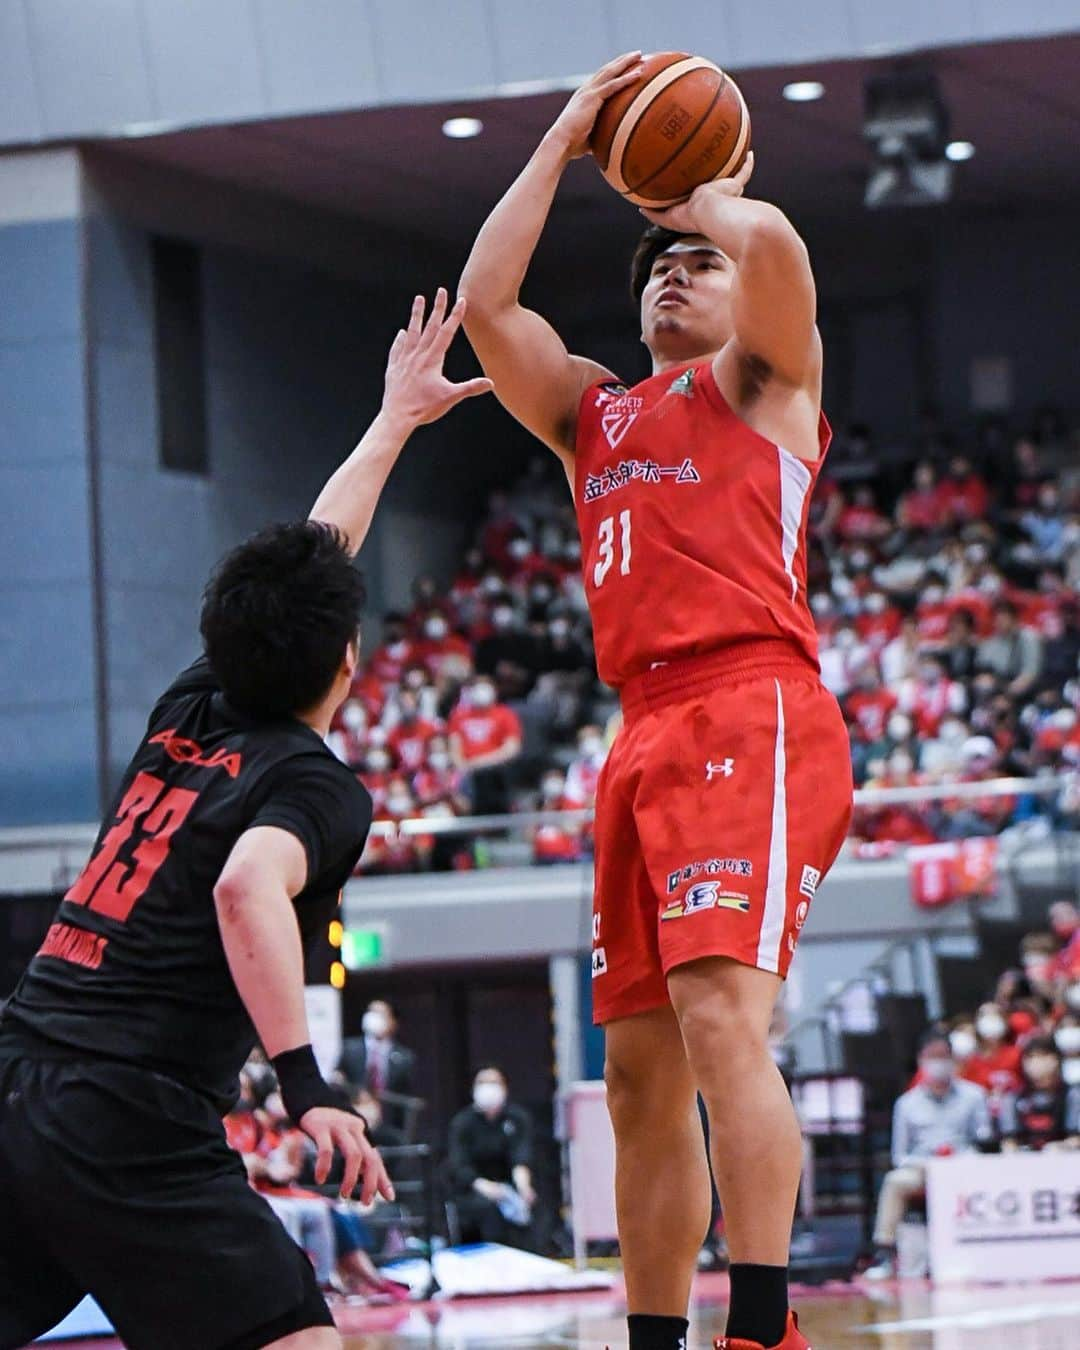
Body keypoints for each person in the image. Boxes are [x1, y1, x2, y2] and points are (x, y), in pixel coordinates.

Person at [0, 292, 490, 1350]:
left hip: (21, 1070)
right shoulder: (317, 785)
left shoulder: (194, 699)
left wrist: (396, 420)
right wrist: (310, 1087)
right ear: (349, 663)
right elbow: (242, 887)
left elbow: (312, 557)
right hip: (127, 1110)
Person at [460, 51, 853, 1350]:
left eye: (694, 263)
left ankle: (765, 1324)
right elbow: (486, 302)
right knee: (638, 1075)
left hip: (753, 703)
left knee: (724, 1015)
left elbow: (782, 250)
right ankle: (652, 1336)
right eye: (657, 268)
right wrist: (570, 134)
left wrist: (706, 202)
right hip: (640, 734)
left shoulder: (765, 384)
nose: (673, 273)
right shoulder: (596, 417)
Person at [864, 1033, 993, 1280]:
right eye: (932, 1057)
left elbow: (984, 1140)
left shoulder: (974, 1095)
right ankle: (885, 1252)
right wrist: (929, 1164)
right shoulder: (906, 1103)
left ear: (953, 1059)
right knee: (895, 1181)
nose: (938, 1063)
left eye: (943, 1057)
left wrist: (959, 1158)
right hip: (923, 1168)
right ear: (921, 1061)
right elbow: (899, 1155)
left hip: (963, 1167)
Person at [446, 1067, 537, 1249]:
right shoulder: (463, 1123)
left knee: (528, 1207)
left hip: (507, 1185)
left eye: (494, 1083)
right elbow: (458, 1164)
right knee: (486, 1209)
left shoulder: (517, 1118)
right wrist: (484, 1186)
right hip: (473, 1188)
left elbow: (520, 1157)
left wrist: (523, 1187)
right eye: (483, 1083)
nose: (489, 1088)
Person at [337, 999, 417, 1132]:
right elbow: (338, 1080)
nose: (373, 1017)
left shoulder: (404, 1057)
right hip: (354, 1119)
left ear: (392, 1022)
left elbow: (407, 1095)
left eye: (381, 1014)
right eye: (371, 1012)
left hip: (388, 1125)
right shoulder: (350, 1049)